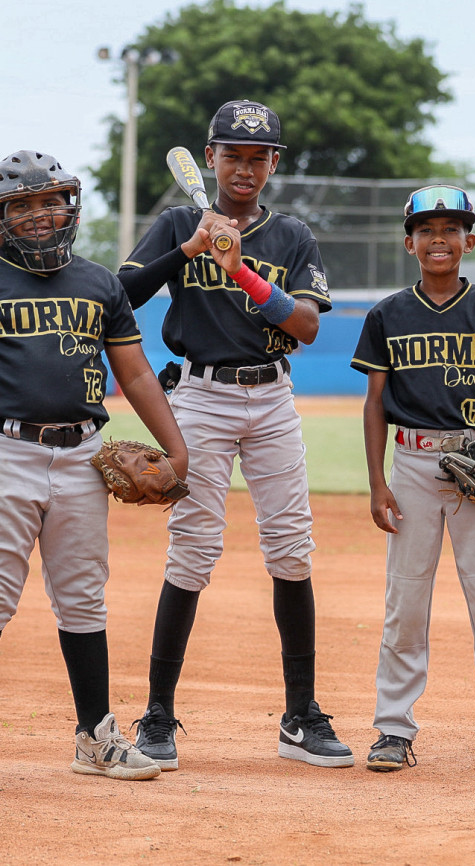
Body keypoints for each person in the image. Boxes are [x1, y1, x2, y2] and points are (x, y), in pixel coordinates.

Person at [0, 150, 189, 788]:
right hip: (0, 449)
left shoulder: (98, 283)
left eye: (51, 201)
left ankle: (95, 739)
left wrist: (175, 449)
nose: (39, 214)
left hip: (81, 456)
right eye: (21, 204)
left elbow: (134, 373)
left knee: (82, 595)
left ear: (70, 208)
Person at [117, 100, 350, 769]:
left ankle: (300, 717)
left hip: (272, 397)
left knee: (291, 549)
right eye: (232, 156)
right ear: (211, 159)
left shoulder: (292, 236)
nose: (244, 169)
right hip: (200, 396)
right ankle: (157, 715)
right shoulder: (178, 223)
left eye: (257, 158)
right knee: (192, 550)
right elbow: (120, 295)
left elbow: (306, 326)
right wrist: (190, 249)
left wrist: (239, 269)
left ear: (273, 163)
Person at [351, 185, 475, 772]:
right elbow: (375, 403)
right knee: (405, 600)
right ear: (409, 243)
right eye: (426, 230)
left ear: (470, 240)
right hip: (412, 464)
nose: (438, 239)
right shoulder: (387, 314)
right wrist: (377, 482)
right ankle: (393, 728)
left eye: (451, 229)